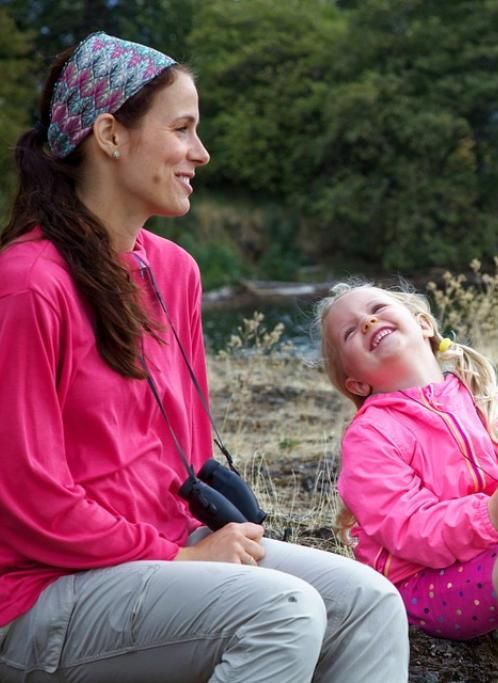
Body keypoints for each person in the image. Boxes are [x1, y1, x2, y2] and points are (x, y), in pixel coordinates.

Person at [0, 32, 408, 682]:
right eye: (183, 128)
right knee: (283, 611)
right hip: (44, 590)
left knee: (370, 603)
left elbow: (183, 456)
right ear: (110, 135)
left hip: (161, 556)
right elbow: (26, 502)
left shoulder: (174, 272)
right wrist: (179, 558)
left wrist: (196, 545)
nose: (202, 152)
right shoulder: (28, 284)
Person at [316, 282, 498, 683]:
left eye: (377, 308)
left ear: (423, 324)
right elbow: (408, 528)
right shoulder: (371, 435)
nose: (368, 321)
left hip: (493, 553)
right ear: (356, 383)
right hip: (420, 582)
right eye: (350, 331)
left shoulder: (481, 397)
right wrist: (490, 514)